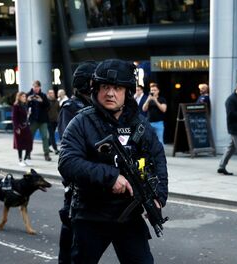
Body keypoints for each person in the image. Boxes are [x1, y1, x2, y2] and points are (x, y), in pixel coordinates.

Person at [58, 59, 168, 263]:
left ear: (127, 91)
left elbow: (158, 159)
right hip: (90, 214)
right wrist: (111, 177)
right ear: (96, 89)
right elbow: (67, 162)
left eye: (117, 88)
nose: (110, 93)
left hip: (129, 215)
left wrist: (159, 196)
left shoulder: (140, 124)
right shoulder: (81, 122)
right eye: (105, 87)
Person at [55, 60, 97, 264]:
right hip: (76, 184)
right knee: (71, 237)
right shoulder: (70, 108)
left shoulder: (97, 107)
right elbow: (69, 147)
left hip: (95, 183)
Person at [26, 80, 52, 161]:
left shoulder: (43, 95)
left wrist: (42, 101)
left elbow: (48, 107)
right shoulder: (28, 95)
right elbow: (23, 107)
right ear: (32, 86)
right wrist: (27, 101)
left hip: (42, 120)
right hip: (33, 120)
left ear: (40, 87)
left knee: (45, 137)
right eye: (34, 87)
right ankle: (28, 153)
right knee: (30, 137)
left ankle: (46, 154)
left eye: (37, 87)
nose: (35, 88)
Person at [12, 91, 33, 166]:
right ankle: (20, 160)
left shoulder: (25, 105)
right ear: (19, 97)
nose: (25, 98)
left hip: (26, 126)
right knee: (20, 145)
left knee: (29, 143)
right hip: (19, 127)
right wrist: (17, 128)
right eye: (23, 96)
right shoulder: (16, 106)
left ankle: (26, 158)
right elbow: (14, 118)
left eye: (25, 96)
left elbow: (25, 116)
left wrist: (28, 114)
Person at [47, 89, 60, 154]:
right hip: (48, 121)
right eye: (50, 93)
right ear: (48, 94)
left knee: (51, 135)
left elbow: (58, 110)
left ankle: (47, 146)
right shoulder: (46, 102)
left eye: (53, 93)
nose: (52, 94)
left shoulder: (57, 101)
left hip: (55, 120)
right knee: (52, 135)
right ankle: (55, 149)